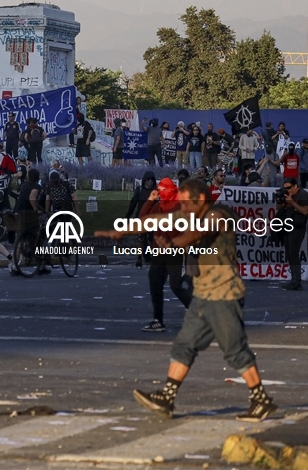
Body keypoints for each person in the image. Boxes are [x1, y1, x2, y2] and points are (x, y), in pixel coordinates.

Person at [97, 178, 278, 422]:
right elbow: (158, 220)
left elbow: (198, 232)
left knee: (235, 351)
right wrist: (123, 231)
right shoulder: (189, 214)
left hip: (223, 294)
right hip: (203, 294)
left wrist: (174, 242)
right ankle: (167, 398)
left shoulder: (219, 213)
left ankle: (261, 400)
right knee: (184, 346)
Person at [138, 177, 193, 332]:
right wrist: (150, 200)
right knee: (155, 283)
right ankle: (158, 320)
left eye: (162, 190)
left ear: (170, 190)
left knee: (175, 285)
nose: (160, 193)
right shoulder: (158, 206)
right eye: (159, 190)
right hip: (159, 251)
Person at [276, 177, 308, 291]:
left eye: (289, 188)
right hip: (287, 225)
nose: (287, 190)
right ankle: (293, 279)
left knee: (293, 253)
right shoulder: (286, 194)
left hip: (297, 227)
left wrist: (292, 202)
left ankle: (297, 281)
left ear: (295, 186)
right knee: (289, 254)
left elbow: (305, 211)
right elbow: (279, 208)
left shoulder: (303, 195)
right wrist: (280, 200)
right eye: (285, 188)